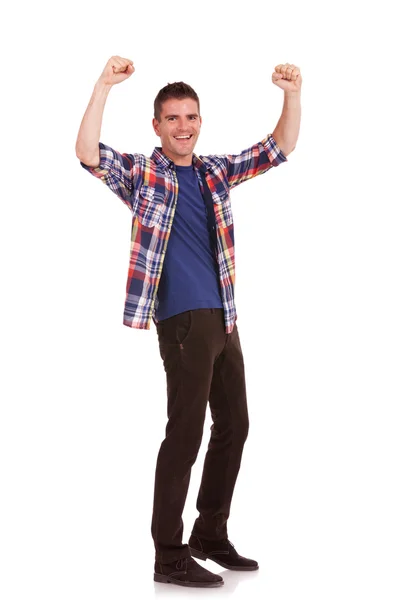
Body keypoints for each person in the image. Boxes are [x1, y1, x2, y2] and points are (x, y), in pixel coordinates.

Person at [75, 56, 302, 588]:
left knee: (236, 424)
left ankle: (210, 533)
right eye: (173, 118)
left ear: (200, 121)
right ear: (157, 125)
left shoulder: (213, 171)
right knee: (185, 433)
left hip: (224, 316)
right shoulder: (144, 173)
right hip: (182, 321)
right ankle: (169, 554)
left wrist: (292, 94)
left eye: (191, 117)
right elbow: (87, 153)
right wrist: (104, 85)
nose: (184, 127)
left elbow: (279, 148)